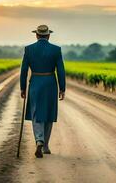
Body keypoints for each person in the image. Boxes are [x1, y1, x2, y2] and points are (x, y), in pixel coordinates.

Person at [20, 25, 66, 158]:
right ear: (48, 35)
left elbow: (23, 71)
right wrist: (62, 88)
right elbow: (61, 70)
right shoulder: (56, 50)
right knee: (48, 113)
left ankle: (39, 139)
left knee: (36, 113)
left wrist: (23, 87)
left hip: (35, 83)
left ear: (36, 35)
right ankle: (45, 146)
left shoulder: (29, 49)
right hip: (50, 83)